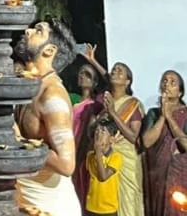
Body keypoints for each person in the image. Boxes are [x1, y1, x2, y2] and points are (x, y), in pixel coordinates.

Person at [14, 18, 80, 216]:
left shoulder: (52, 95)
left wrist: (17, 140)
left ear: (49, 50)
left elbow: (66, 164)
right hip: (24, 200)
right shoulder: (28, 86)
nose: (27, 31)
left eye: (38, 31)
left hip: (51, 206)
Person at [86, 60, 143, 216]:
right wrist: (102, 115)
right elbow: (90, 132)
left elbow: (133, 137)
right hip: (102, 156)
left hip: (125, 160)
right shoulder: (102, 103)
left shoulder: (132, 104)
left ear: (127, 81)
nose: (114, 72)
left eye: (120, 71)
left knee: (127, 203)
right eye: (114, 69)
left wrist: (112, 112)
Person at [141, 69, 187, 216]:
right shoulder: (153, 113)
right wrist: (162, 116)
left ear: (180, 92)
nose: (167, 84)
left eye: (173, 82)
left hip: (180, 175)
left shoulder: (185, 114)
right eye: (165, 81)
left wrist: (170, 118)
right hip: (157, 174)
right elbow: (146, 142)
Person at [72, 62, 104, 213]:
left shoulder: (95, 105)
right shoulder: (71, 99)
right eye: (81, 73)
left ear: (95, 82)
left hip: (84, 149)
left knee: (82, 185)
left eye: (88, 75)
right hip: (70, 147)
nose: (82, 76)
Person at [86, 118, 122, 216]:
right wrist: (97, 152)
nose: (98, 134)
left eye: (103, 131)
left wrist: (98, 151)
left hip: (108, 209)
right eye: (96, 131)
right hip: (92, 207)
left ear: (111, 139)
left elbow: (103, 177)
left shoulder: (116, 157)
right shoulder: (90, 156)